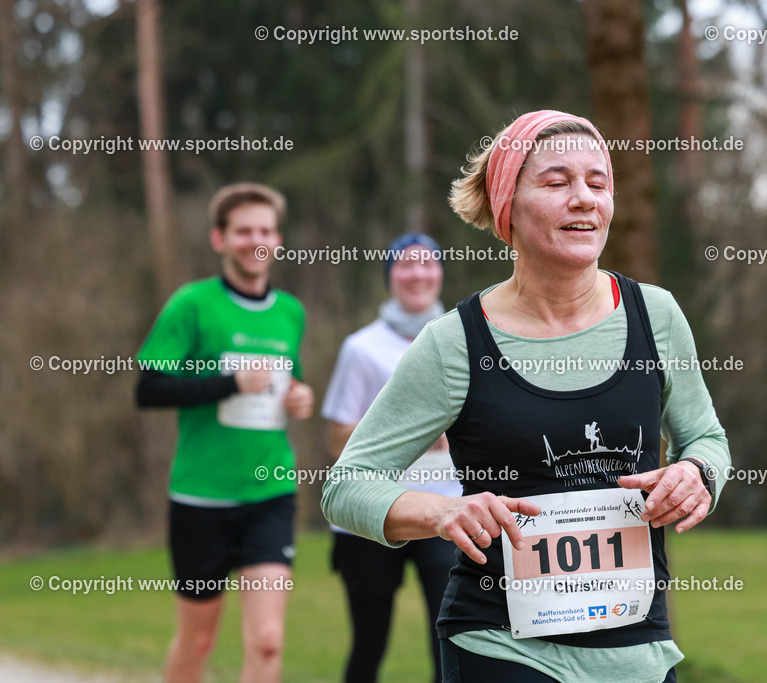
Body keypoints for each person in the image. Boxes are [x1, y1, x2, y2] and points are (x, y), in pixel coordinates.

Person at [322, 110, 730, 682]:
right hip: (502, 645)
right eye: (557, 182)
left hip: (638, 650)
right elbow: (346, 484)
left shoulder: (655, 315)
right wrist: (443, 511)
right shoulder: (454, 343)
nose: (584, 198)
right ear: (507, 206)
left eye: (598, 182)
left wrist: (698, 475)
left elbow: (706, 438)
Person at [136, 182, 314, 683]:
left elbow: (288, 380)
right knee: (198, 642)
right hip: (201, 498)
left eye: (264, 230)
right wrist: (228, 383)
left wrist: (299, 396)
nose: (254, 240)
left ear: (277, 239)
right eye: (243, 231)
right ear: (220, 239)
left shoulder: (290, 311)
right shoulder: (191, 305)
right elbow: (149, 389)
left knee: (267, 643)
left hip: (270, 493)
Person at [322, 233, 460, 682]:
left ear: (440, 273)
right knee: (369, 643)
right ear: (390, 277)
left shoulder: (464, 341)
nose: (418, 273)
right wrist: (410, 437)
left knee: (450, 640)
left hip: (448, 510)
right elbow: (336, 439)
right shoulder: (361, 348)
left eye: (428, 264)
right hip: (369, 512)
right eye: (405, 265)